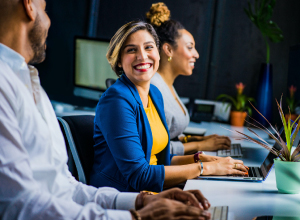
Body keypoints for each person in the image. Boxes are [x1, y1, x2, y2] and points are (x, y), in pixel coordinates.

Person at [0, 0, 212, 219]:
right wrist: (135, 216)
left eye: (149, 47)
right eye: (45, 9)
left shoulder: (30, 84)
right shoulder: (4, 85)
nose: (49, 20)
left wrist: (142, 202)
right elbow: (17, 205)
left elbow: (66, 189)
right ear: (29, 6)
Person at [90, 20, 248, 193]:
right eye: (131, 50)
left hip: (152, 192)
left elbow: (161, 160)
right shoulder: (116, 100)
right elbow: (139, 176)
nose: (142, 56)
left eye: (149, 47)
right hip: (123, 197)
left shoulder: (155, 94)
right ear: (119, 61)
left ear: (158, 53)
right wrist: (205, 168)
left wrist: (201, 159)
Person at [147, 2, 233, 156]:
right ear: (168, 49)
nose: (196, 54)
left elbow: (169, 136)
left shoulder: (167, 85)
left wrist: (196, 140)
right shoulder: (154, 89)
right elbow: (156, 150)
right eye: (189, 47)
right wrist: (200, 145)